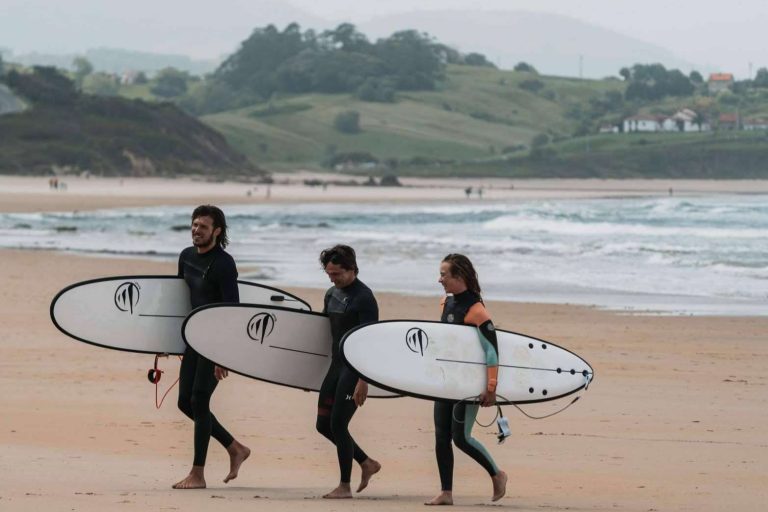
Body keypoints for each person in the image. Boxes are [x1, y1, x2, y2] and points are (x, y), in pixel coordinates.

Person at [172, 205, 251, 489]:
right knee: (185, 402)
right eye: (194, 225)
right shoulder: (186, 257)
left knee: (200, 400)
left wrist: (223, 354)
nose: (196, 231)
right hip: (194, 337)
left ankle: (197, 474)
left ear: (217, 231)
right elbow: (180, 300)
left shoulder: (224, 264)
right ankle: (235, 448)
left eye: (202, 227)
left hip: (216, 340)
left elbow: (233, 310)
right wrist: (166, 340)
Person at [425, 253, 508, 505]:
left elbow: (491, 351)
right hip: (447, 380)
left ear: (459, 276)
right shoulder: (445, 303)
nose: (439, 279)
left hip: (469, 384)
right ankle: (446, 492)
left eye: (443, 275)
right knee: (441, 435)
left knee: (460, 437)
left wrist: (490, 388)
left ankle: (497, 474)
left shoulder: (477, 310)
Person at [315, 244, 381, 499]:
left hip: (354, 370)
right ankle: (367, 463)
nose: (333, 279)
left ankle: (344, 485)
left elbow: (370, 342)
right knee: (323, 425)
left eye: (337, 274)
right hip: (335, 366)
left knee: (338, 424)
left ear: (352, 269)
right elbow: (323, 333)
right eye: (329, 274)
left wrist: (364, 381)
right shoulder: (331, 293)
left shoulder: (364, 298)